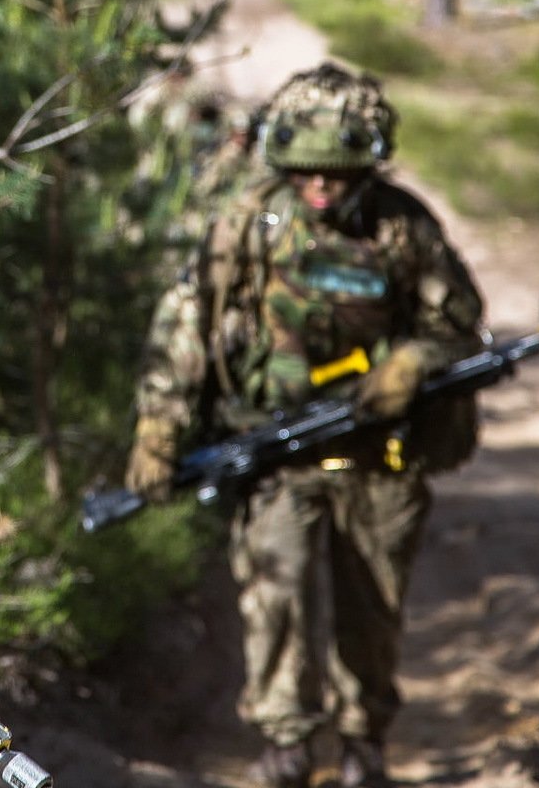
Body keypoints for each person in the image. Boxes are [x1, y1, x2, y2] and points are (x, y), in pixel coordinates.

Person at [124, 62, 484, 788]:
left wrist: (412, 363)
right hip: (273, 454)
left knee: (372, 614)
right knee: (275, 596)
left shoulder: (403, 228)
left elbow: (459, 322)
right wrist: (160, 425)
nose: (320, 188)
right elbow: (187, 321)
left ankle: (362, 742)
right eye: (305, 173)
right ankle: (286, 743)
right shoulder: (248, 222)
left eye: (337, 175)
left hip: (378, 459)